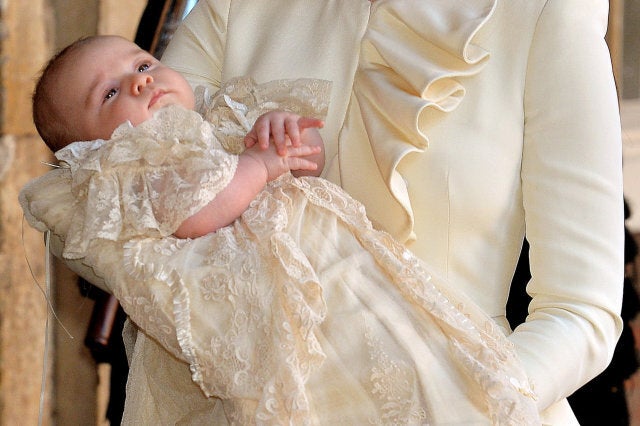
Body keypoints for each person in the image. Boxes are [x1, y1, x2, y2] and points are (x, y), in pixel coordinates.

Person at [22, 35, 539, 424]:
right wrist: (258, 167)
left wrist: (276, 131)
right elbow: (194, 212)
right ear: (87, 149)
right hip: (265, 315)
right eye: (110, 93)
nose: (141, 82)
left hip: (341, 273)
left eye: (143, 64)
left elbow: (306, 164)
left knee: (408, 360)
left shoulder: (218, 116)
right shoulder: (126, 173)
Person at [158, 1, 626, 424]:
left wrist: (461, 407)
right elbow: (109, 184)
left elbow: (581, 310)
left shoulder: (546, 10)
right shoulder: (235, 6)